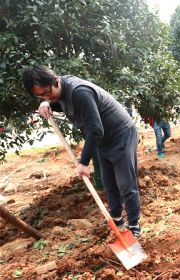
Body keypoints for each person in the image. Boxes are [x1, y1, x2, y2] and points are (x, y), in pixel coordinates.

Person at [22, 65, 142, 237]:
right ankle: (116, 217)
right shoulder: (59, 92)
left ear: (56, 79)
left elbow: (95, 130)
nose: (47, 96)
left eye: (47, 92)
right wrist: (46, 103)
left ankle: (134, 225)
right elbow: (59, 103)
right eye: (40, 95)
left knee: (125, 184)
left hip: (120, 133)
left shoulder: (79, 92)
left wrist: (84, 162)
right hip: (103, 139)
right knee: (109, 183)